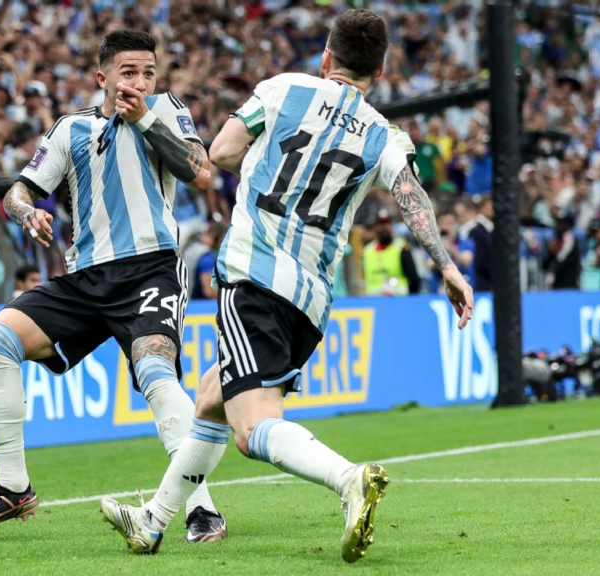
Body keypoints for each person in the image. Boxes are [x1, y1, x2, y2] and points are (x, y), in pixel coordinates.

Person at [100, 10, 474, 563]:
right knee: (210, 400)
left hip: (256, 274)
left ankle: (348, 479)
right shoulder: (383, 132)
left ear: (326, 56)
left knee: (252, 429)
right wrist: (445, 265)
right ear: (382, 68)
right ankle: (153, 521)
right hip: (312, 299)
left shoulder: (283, 89)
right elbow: (411, 197)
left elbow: (220, 154)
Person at [0, 31, 227, 544]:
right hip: (85, 279)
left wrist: (143, 117)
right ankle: (14, 489)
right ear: (102, 77)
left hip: (151, 269)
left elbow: (203, 175)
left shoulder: (166, 110)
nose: (140, 81)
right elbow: (19, 189)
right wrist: (26, 211)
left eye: (148, 72)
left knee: (155, 373)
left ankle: (201, 509)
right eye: (128, 72)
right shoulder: (71, 128)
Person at [361, 208, 420, 295]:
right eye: (381, 224)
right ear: (375, 227)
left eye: (387, 224)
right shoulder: (367, 251)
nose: (384, 228)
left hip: (398, 299)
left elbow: (414, 279)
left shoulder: (402, 248)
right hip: (373, 300)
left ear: (392, 225)